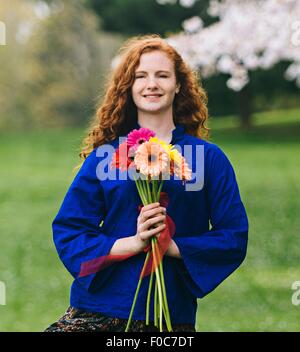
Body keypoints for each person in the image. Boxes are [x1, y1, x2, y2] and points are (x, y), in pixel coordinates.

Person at [44, 34, 248, 332]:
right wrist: (135, 243)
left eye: (162, 75)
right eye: (141, 76)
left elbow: (233, 236)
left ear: (178, 85)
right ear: (129, 86)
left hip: (168, 315)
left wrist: (172, 246)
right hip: (98, 308)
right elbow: (70, 230)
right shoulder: (105, 157)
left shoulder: (207, 159)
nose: (151, 84)